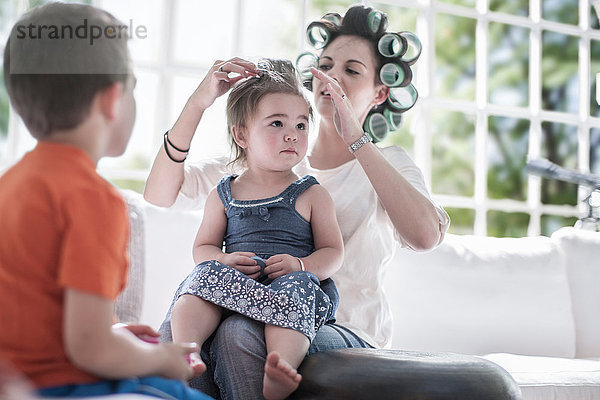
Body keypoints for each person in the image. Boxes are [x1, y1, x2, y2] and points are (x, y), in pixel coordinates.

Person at [144, 4, 449, 400]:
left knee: (237, 333)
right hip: (250, 304)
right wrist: (199, 103)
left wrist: (356, 138)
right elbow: (159, 193)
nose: (331, 77)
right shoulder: (268, 158)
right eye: (325, 65)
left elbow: (426, 237)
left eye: (351, 70)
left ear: (380, 92)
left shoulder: (386, 163)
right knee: (184, 328)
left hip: (345, 326)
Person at [0, 3, 210, 399]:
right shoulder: (93, 200)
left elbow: (33, 314)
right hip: (63, 386)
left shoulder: (10, 186)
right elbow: (90, 349)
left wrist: (113, 332)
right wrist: (160, 359)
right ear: (112, 100)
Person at [162, 59, 344, 400]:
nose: (292, 134)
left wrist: (300, 265)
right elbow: (203, 246)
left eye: (301, 125)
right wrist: (221, 260)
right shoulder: (224, 192)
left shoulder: (311, 193)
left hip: (282, 287)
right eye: (277, 123)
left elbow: (333, 252)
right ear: (241, 134)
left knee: (298, 286)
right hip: (236, 286)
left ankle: (281, 366)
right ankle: (185, 349)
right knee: (201, 277)